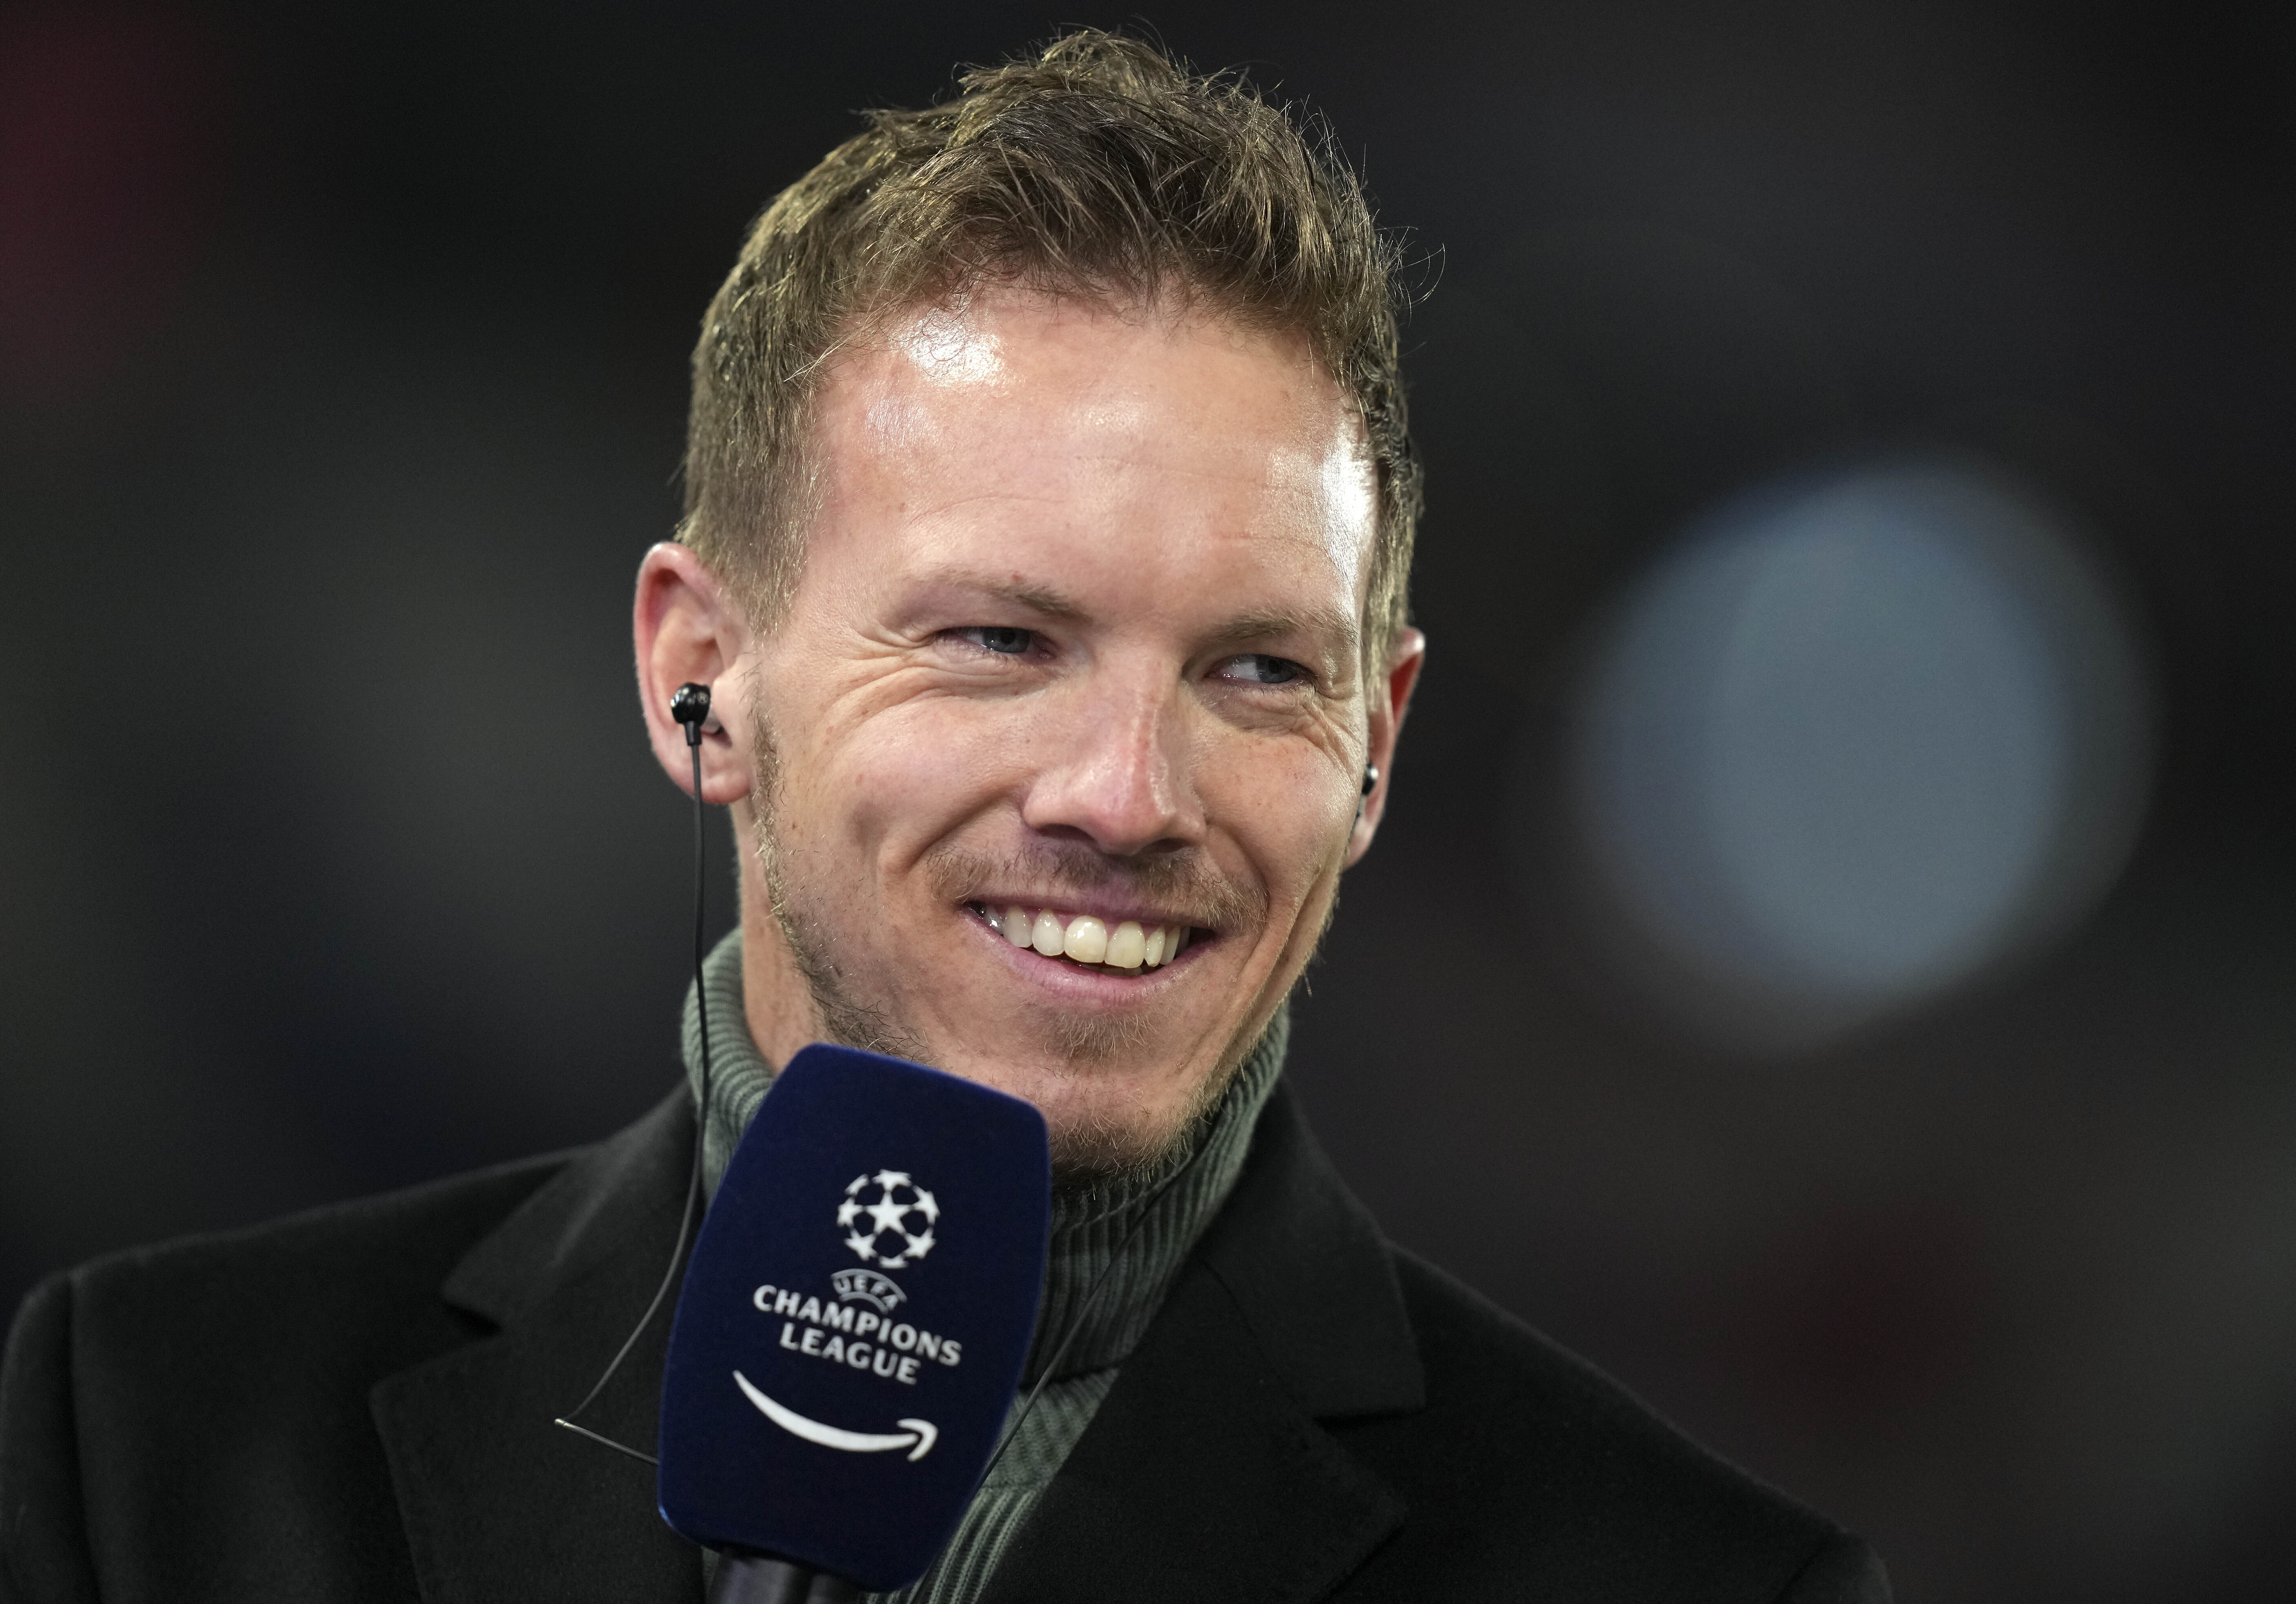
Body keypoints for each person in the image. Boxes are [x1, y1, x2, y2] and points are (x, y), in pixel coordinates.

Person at [0, 31, 1890, 1603]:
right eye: (1000, 640)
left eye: (1256, 675)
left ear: (1376, 747)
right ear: (703, 679)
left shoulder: (1689, 1587)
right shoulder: (161, 1435)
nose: (1131, 798)